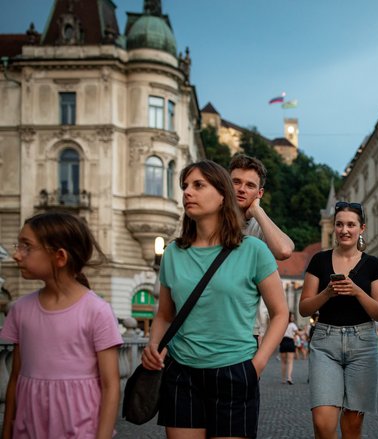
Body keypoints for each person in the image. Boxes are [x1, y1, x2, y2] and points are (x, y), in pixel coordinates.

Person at [141, 160, 288, 439]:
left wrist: (256, 365)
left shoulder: (253, 250)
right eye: (185, 186)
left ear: (223, 196)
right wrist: (154, 345)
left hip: (234, 371)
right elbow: (164, 314)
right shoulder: (173, 253)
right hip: (182, 373)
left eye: (198, 185)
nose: (187, 192)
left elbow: (281, 313)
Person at [1, 211, 122, 439]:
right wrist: (7, 432)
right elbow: (15, 378)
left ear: (60, 257)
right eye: (18, 245)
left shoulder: (96, 311)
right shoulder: (20, 310)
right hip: (28, 429)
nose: (16, 255)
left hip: (80, 430)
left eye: (26, 246)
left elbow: (111, 385)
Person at [299, 201, 378, 439]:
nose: (344, 230)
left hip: (363, 345)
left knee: (351, 427)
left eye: (351, 224)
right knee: (323, 422)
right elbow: (304, 308)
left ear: (362, 228)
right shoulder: (319, 260)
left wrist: (357, 291)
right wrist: (327, 292)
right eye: (339, 224)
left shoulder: (373, 264)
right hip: (326, 341)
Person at [229, 154, 294, 342]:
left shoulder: (258, 224)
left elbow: (284, 250)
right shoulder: (207, 217)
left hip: (245, 330)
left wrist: (258, 211)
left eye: (250, 185)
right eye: (236, 182)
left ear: (260, 193)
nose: (241, 189)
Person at [280, 312, 299, 384]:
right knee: (290, 362)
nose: (293, 318)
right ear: (289, 317)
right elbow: (298, 333)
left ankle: (283, 379)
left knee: (283, 362)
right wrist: (304, 331)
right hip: (290, 342)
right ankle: (289, 377)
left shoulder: (282, 324)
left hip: (283, 342)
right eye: (292, 317)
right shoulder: (293, 325)